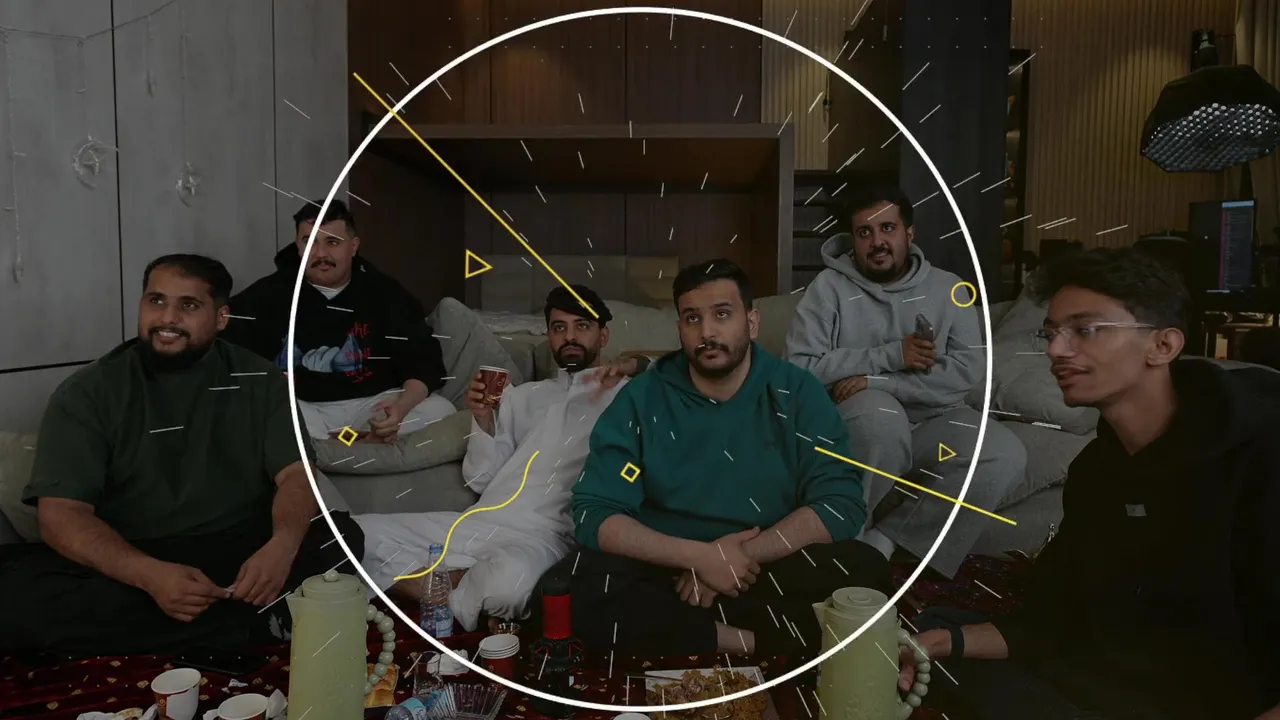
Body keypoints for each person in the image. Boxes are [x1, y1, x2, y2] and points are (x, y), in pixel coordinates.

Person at [898, 249, 1280, 719]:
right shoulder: (1097, 471)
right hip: (1120, 686)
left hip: (1230, 700)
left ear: (1162, 345)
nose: (1056, 350)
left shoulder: (1261, 453)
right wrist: (944, 642)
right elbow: (1054, 619)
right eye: (1051, 332)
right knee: (938, 654)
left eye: (1085, 330)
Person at [0, 255, 362, 657]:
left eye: (188, 305)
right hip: (132, 556)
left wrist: (282, 546)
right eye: (156, 301)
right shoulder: (87, 393)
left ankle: (208, 626)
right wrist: (149, 576)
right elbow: (59, 515)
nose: (167, 318)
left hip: (239, 546)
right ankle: (249, 624)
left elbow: (297, 474)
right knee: (15, 596)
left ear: (221, 317)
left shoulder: (261, 380)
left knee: (339, 539)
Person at [561, 259, 892, 660]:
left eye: (722, 314)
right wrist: (700, 558)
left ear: (751, 322)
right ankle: (751, 641)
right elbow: (594, 513)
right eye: (692, 318)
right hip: (667, 569)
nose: (707, 332)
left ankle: (686, 634)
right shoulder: (642, 398)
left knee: (866, 572)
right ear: (680, 328)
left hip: (765, 566)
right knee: (571, 587)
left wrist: (739, 558)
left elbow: (841, 504)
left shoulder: (797, 392)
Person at [356, 285, 648, 632]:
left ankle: (435, 583)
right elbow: (480, 479)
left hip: (545, 536)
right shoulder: (522, 396)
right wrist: (483, 420)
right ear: (549, 336)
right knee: (352, 532)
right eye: (559, 327)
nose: (569, 336)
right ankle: (454, 583)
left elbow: (682, 368)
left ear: (604, 335)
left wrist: (636, 363)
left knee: (507, 589)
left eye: (582, 326)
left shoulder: (628, 397)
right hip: (481, 522)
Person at [785, 183, 1026, 578]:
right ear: (853, 240)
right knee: (881, 415)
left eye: (887, 228)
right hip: (858, 419)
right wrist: (891, 356)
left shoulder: (951, 289)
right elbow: (799, 368)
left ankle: (884, 541)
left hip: (933, 420)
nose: (876, 242)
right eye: (864, 232)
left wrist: (877, 381)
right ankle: (842, 538)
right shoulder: (827, 289)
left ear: (909, 233)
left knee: (1004, 453)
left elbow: (968, 373)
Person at [221, 199, 452, 444]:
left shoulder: (385, 292)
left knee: (442, 410)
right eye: (309, 241)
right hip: (304, 407)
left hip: (371, 405)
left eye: (332, 242)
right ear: (298, 247)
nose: (320, 254)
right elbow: (231, 351)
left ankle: (340, 443)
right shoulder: (268, 293)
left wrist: (400, 409)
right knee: (248, 411)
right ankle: (352, 444)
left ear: (353, 246)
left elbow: (423, 362)